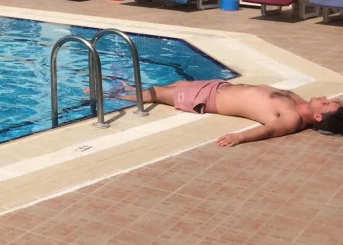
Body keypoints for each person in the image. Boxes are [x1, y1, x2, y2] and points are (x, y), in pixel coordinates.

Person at [107, 79, 343, 147]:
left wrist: (239, 137)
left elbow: (269, 131)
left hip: (206, 98)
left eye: (325, 104)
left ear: (318, 117)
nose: (324, 98)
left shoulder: (292, 118)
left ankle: (109, 96)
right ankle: (123, 89)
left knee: (155, 93)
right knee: (170, 86)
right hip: (218, 86)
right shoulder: (300, 103)